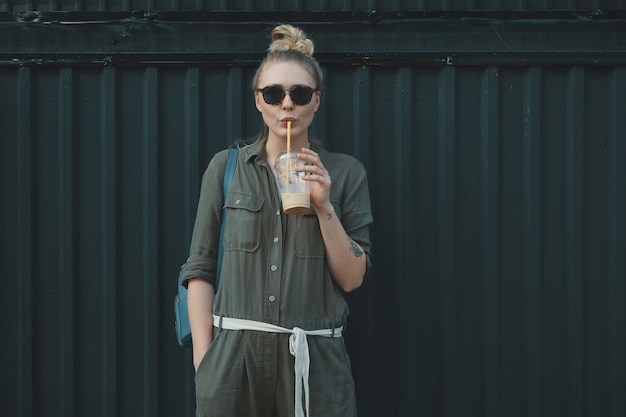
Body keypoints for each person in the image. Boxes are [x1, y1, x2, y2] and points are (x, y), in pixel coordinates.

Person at [182, 24, 373, 417]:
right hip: (234, 362)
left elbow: (353, 277)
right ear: (259, 100)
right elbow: (199, 268)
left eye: (300, 94)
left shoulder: (345, 173)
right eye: (274, 94)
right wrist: (206, 362)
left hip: (316, 362)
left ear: (316, 101)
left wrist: (323, 205)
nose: (287, 105)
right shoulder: (227, 167)